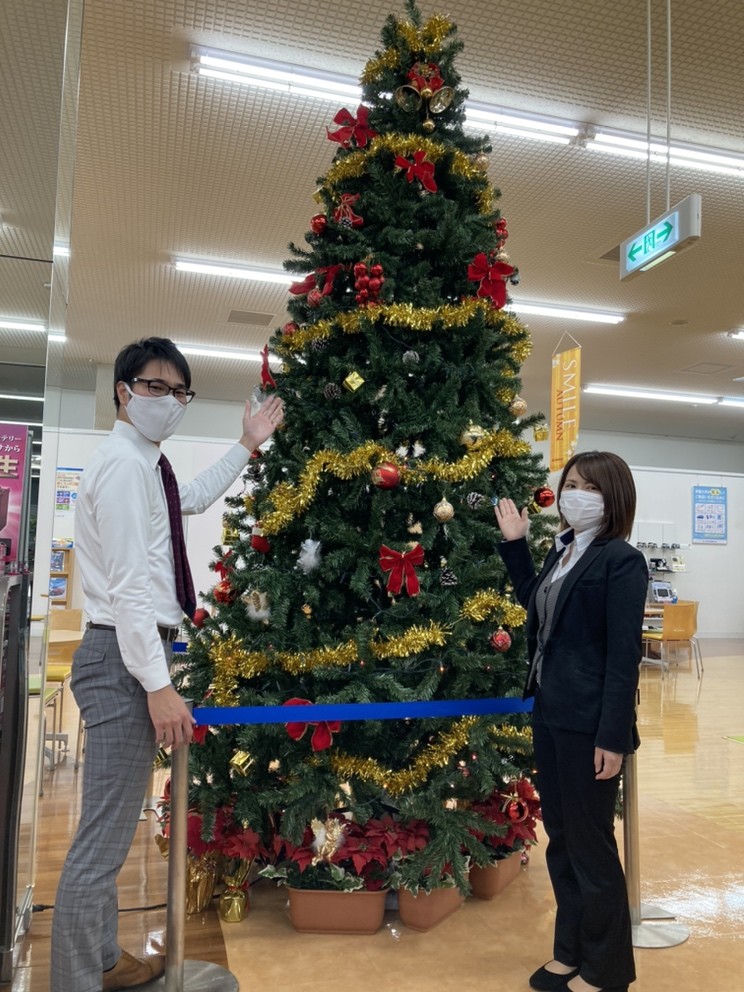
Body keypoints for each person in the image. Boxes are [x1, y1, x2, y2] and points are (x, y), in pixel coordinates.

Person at [51, 337, 284, 992]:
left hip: (129, 651)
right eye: (157, 387)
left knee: (107, 832)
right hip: (123, 657)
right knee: (101, 842)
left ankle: (103, 961)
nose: (171, 401)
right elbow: (129, 589)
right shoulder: (125, 467)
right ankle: (77, 978)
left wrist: (247, 443)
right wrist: (156, 685)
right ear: (124, 391)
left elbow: (195, 499)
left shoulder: (147, 466)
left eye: (181, 391)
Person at [494, 451, 647, 992]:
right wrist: (515, 546)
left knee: (590, 844)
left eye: (589, 486)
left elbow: (623, 656)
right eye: (571, 484)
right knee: (561, 839)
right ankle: (571, 952)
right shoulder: (562, 552)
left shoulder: (621, 560)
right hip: (551, 714)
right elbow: (536, 607)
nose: (575, 494)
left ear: (613, 497)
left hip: (591, 725)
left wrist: (612, 736)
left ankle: (607, 971)